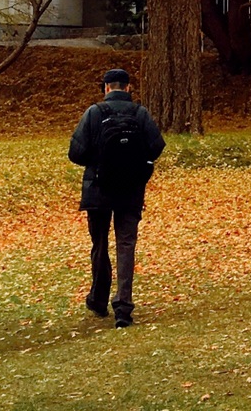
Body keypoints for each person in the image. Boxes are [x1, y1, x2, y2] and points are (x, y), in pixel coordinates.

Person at [68, 66, 165, 327]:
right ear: (129, 88)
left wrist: (99, 161)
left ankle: (98, 299)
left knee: (99, 243)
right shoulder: (140, 113)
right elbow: (156, 146)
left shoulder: (94, 113)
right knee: (126, 245)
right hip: (131, 190)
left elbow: (75, 153)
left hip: (98, 190)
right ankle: (123, 306)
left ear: (106, 88)